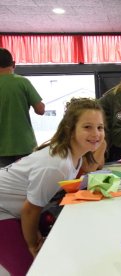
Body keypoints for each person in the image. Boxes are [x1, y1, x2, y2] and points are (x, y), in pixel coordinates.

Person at [0, 98, 105, 275]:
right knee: (30, 269)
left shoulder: (75, 156)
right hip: (4, 209)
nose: (96, 133)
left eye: (100, 127)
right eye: (87, 127)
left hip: (17, 208)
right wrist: (33, 244)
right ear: (70, 130)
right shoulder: (57, 164)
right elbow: (30, 210)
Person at [0, 48, 45, 168]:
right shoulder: (22, 82)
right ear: (13, 64)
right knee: (26, 181)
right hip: (24, 144)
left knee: (3, 183)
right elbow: (40, 110)